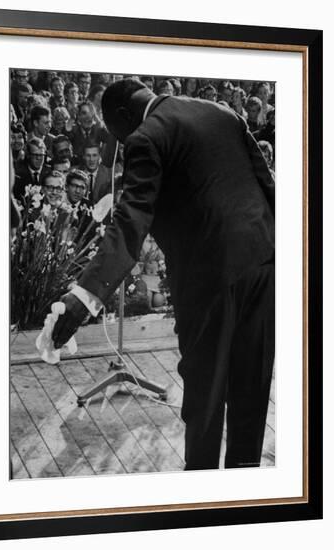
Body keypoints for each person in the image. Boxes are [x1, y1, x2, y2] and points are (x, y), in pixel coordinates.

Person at [52, 78, 275, 472]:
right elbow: (267, 184)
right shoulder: (223, 112)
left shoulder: (146, 136)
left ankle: (201, 488)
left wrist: (85, 295)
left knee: (205, 395)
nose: (118, 143)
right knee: (251, 389)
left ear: (122, 117)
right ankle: (247, 486)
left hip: (209, 278)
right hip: (263, 263)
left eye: (114, 134)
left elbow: (131, 218)